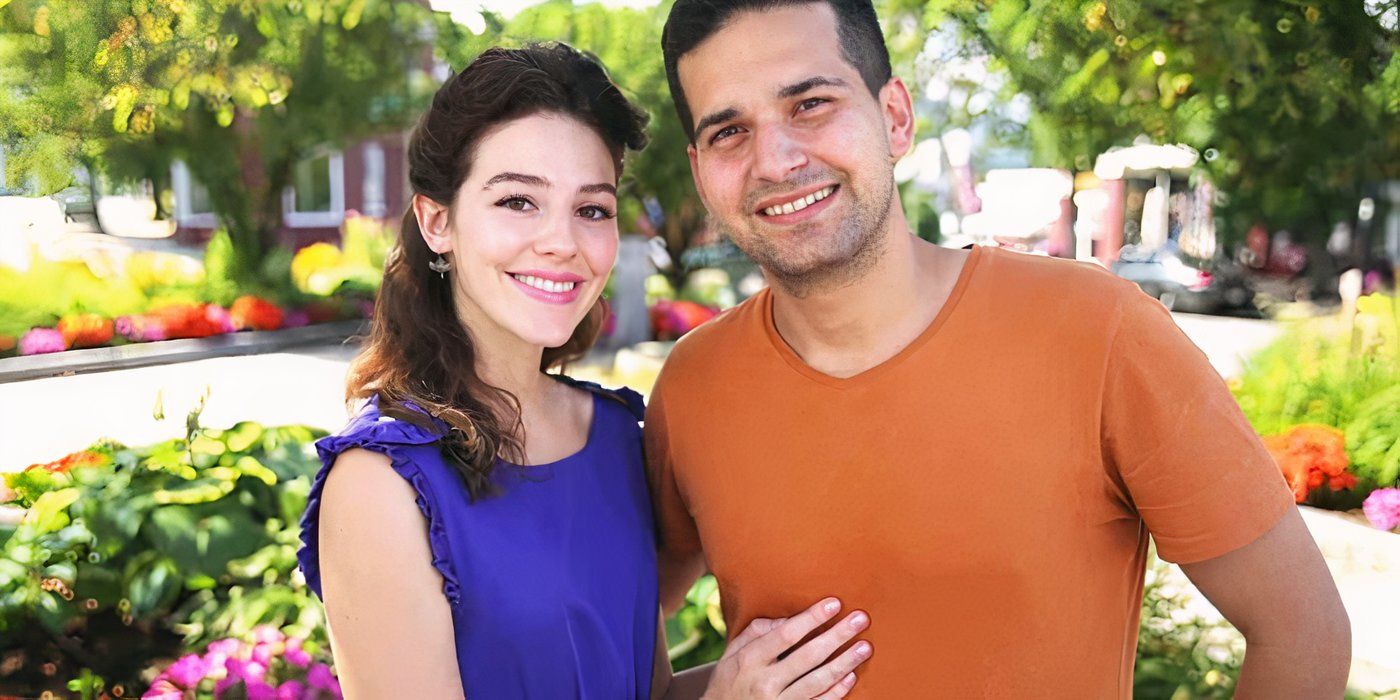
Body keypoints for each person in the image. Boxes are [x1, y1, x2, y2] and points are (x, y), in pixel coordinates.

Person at [646, 1, 1352, 696]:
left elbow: (1302, 633)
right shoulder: (693, 387)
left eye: (809, 105)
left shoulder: (1097, 331)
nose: (774, 159)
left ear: (894, 117)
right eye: (729, 130)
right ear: (700, 166)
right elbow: (616, 636)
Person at [295, 43, 871, 698]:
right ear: (438, 221)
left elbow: (638, 688)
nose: (562, 242)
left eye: (592, 209)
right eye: (518, 201)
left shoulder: (617, 434)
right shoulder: (379, 485)